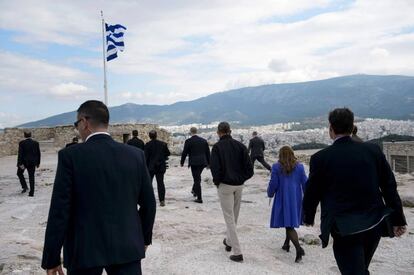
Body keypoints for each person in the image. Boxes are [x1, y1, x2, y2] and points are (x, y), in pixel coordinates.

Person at [41, 100, 156, 275]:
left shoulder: (70, 156)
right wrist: (144, 238)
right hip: (126, 246)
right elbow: (149, 204)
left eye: (76, 124)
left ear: (85, 122)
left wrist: (52, 257)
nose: (77, 129)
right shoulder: (135, 156)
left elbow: (60, 210)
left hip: (84, 249)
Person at [303, 107, 407, 275]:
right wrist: (398, 219)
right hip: (374, 222)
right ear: (352, 127)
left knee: (354, 271)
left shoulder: (321, 158)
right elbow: (389, 186)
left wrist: (308, 217)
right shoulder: (372, 150)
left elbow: (312, 191)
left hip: (344, 228)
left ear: (331, 129)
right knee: (360, 269)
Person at [210, 122, 254, 262]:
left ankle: (238, 251)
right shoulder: (240, 146)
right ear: (230, 131)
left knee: (229, 218)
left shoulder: (217, 147)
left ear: (219, 132)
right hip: (239, 185)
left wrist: (218, 182)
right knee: (234, 216)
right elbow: (250, 169)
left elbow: (215, 168)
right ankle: (229, 242)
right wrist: (241, 179)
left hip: (225, 185)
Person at [267, 146, 307, 263]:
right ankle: (286, 244)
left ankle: (299, 249)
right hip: (296, 198)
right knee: (288, 221)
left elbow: (273, 183)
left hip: (282, 198)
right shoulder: (299, 167)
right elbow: (305, 182)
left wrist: (270, 193)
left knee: (289, 225)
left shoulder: (276, 167)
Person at [180, 127, 210, 203]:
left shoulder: (188, 141)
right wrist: (209, 163)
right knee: (197, 177)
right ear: (197, 132)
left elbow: (184, 152)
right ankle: (194, 190)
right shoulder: (203, 141)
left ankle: (199, 198)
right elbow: (208, 153)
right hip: (203, 162)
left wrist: (182, 162)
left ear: (190, 132)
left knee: (197, 179)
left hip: (194, 163)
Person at [144, 130, 170, 207]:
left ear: (149, 136)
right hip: (160, 166)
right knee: (160, 183)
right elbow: (168, 153)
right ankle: (162, 200)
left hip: (150, 167)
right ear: (156, 135)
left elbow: (145, 157)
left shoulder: (147, 145)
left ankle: (149, 200)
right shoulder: (163, 144)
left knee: (149, 184)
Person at [17, 131, 41, 197]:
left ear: (24, 135)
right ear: (31, 135)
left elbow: (20, 154)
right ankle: (31, 193)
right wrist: (38, 163)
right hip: (32, 163)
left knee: (19, 173)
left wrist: (19, 163)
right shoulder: (36, 143)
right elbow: (38, 154)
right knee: (31, 177)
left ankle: (24, 186)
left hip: (24, 163)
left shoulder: (21, 143)